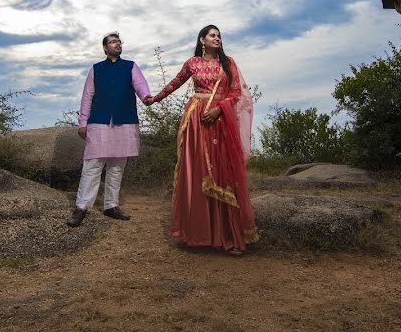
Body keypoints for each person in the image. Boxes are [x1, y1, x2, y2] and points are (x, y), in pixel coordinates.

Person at [145, 24, 258, 254]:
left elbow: (237, 93)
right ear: (202, 39)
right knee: (197, 172)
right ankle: (200, 234)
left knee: (222, 172)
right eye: (212, 35)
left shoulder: (228, 63)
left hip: (219, 119)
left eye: (219, 36)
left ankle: (230, 236)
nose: (217, 39)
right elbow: (175, 83)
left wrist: (219, 110)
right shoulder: (192, 63)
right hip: (196, 119)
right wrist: (154, 99)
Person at [67, 31, 152, 227]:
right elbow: (87, 96)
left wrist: (146, 96)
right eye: (112, 42)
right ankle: (81, 207)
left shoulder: (131, 66)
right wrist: (83, 122)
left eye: (118, 41)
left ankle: (110, 206)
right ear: (105, 48)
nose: (117, 44)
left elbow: (140, 85)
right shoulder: (95, 69)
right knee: (92, 165)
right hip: (98, 122)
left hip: (125, 121)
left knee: (116, 166)